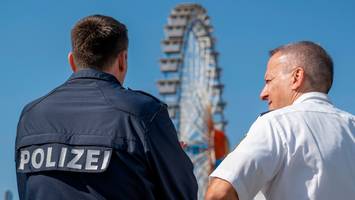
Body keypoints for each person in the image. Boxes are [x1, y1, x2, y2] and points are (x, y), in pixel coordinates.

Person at [15, 14, 197, 200]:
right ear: (122, 60)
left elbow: (26, 192)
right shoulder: (144, 114)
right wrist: (178, 162)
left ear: (72, 61)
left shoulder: (30, 116)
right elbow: (182, 194)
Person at [205, 41, 355, 200]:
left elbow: (219, 193)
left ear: (296, 77)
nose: (263, 94)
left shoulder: (277, 124)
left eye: (269, 81)